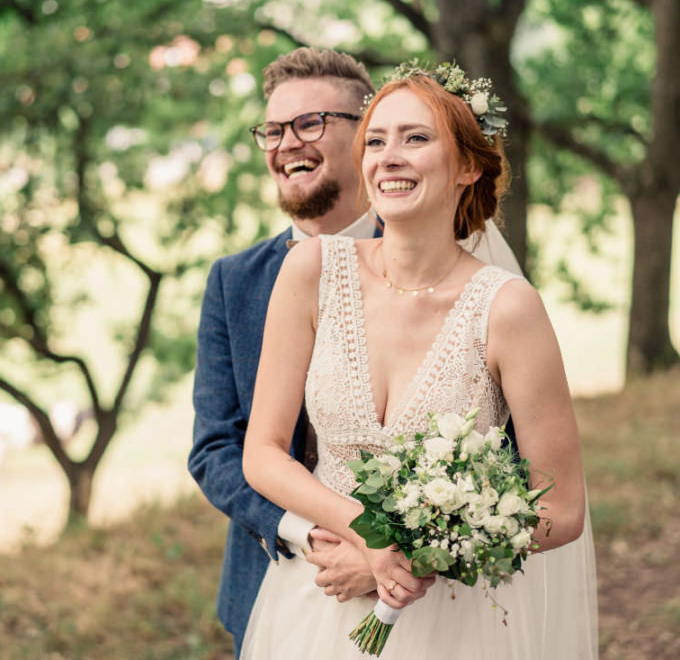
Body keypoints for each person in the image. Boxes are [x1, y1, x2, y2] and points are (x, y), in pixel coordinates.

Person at [239, 63, 598, 658]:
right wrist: (366, 536)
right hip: (315, 604)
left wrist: (420, 550)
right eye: (376, 141)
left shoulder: (508, 310)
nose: (389, 157)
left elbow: (561, 508)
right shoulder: (311, 273)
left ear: (468, 165)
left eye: (416, 138)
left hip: (451, 622)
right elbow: (263, 453)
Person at [188, 48, 525, 657]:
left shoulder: (466, 277)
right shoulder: (233, 281)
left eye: (310, 123)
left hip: (434, 604)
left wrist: (408, 553)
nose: (287, 143)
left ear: (362, 133)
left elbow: (515, 461)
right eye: (273, 129)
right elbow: (217, 448)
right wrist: (317, 537)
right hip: (282, 586)